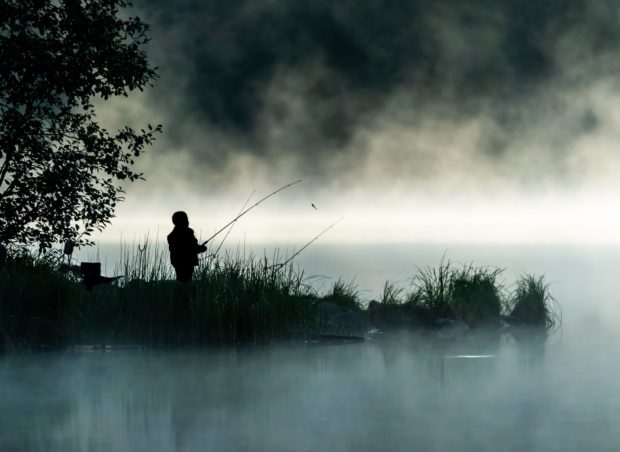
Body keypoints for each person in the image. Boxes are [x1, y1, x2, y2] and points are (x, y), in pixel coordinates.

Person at [167, 211, 207, 282]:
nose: (188, 221)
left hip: (178, 263)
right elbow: (189, 249)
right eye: (186, 219)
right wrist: (201, 248)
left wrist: (199, 248)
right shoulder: (188, 233)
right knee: (186, 281)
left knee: (181, 280)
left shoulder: (172, 236)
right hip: (187, 263)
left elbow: (187, 248)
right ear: (182, 221)